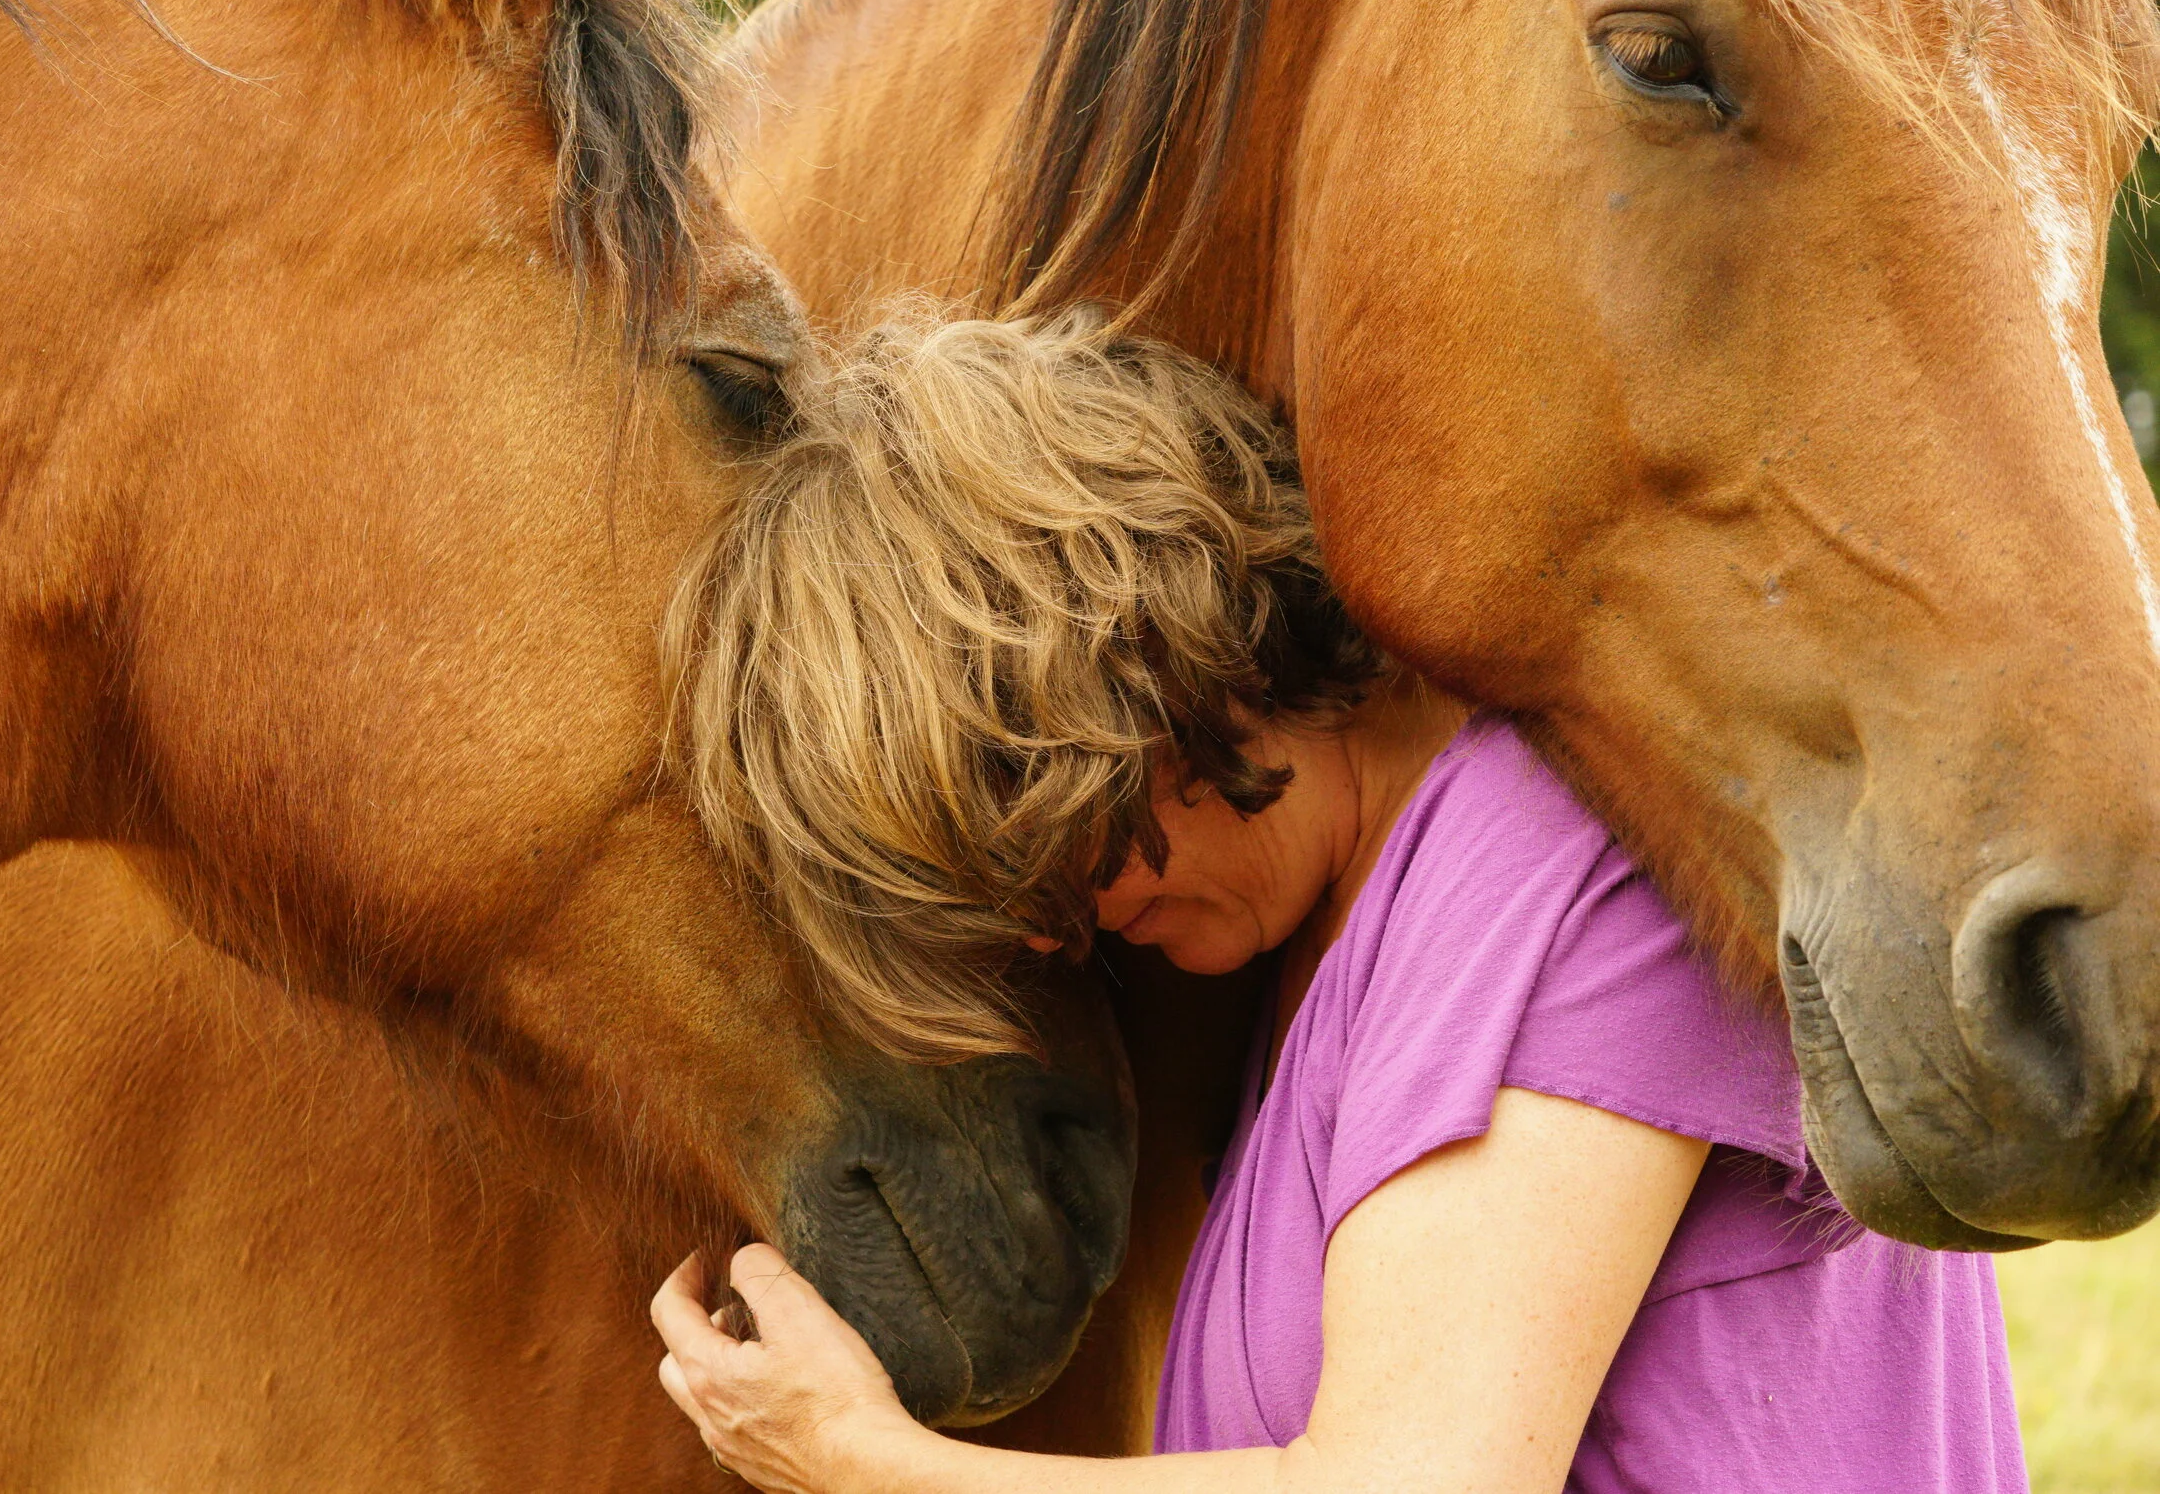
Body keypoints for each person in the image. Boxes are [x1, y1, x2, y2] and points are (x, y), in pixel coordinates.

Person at [652, 306, 2025, 1493]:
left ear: (1123, 681)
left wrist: (858, 1459)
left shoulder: (1561, 856)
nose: (1038, 932)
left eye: (1034, 851)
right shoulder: (1348, 947)